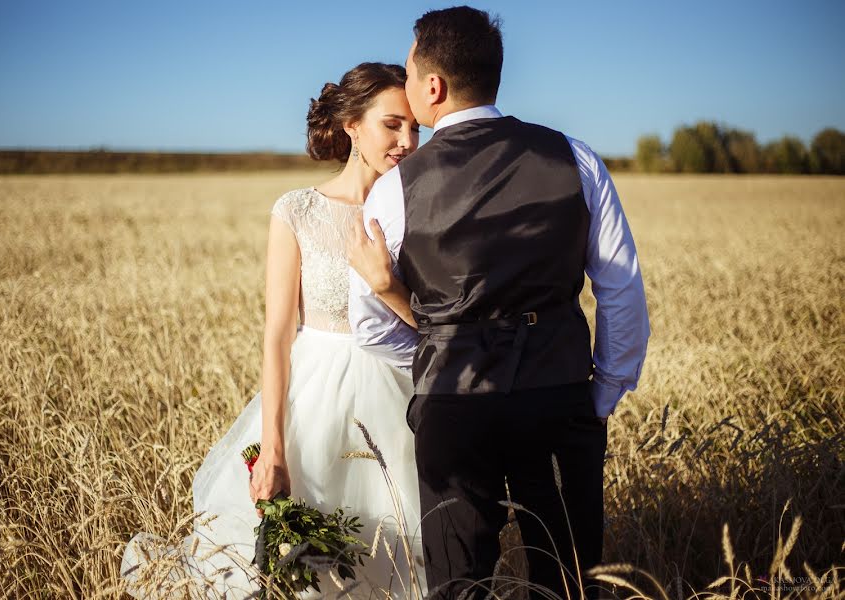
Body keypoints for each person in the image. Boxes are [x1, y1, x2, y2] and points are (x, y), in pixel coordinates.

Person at [347, 7, 651, 600]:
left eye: (409, 71)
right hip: (560, 394)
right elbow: (620, 288)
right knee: (567, 581)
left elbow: (371, 326)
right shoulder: (576, 158)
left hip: (453, 404)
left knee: (457, 583)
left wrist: (440, 349)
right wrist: (599, 394)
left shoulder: (394, 190)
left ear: (431, 86)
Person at [121, 62, 426, 599]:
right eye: (392, 124)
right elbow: (277, 336)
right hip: (316, 401)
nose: (407, 140)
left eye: (415, 127)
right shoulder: (299, 211)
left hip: (399, 399)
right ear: (352, 125)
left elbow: (432, 321)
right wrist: (275, 450)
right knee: (301, 561)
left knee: (402, 551)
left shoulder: (417, 210)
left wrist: (386, 287)